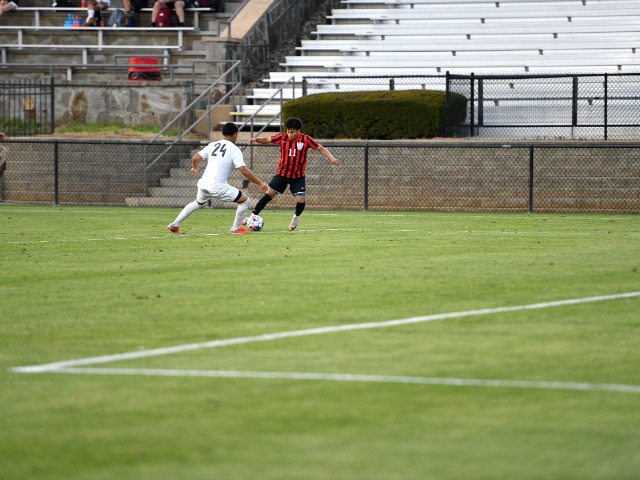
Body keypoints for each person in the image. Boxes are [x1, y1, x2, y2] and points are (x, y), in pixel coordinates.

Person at [167, 122, 268, 235]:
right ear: (235, 134)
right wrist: (260, 183)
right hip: (217, 186)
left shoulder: (213, 145)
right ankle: (235, 229)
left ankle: (174, 224)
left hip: (204, 183)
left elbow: (195, 158)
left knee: (197, 203)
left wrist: (195, 168)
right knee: (245, 201)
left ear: (223, 133)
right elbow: (243, 170)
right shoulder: (234, 149)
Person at [247, 117, 340, 231]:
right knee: (269, 194)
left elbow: (320, 148)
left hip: (298, 177)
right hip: (282, 174)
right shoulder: (282, 137)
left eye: (292, 132)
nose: (290, 134)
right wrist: (255, 139)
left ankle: (295, 219)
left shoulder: (306, 139)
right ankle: (252, 217)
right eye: (288, 131)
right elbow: (267, 139)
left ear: (299, 130)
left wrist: (331, 158)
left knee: (300, 200)